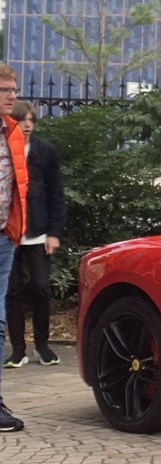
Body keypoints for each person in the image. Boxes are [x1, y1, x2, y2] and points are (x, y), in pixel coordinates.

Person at [5, 100, 65, 371]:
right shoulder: (5, 149)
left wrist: (54, 232)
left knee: (40, 287)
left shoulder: (45, 151)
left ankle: (43, 344)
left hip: (39, 233)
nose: (27, 125)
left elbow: (56, 194)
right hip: (10, 232)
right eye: (22, 120)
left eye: (31, 120)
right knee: (12, 291)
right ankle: (18, 349)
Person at [0, 65, 29, 432]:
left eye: (13, 89)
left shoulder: (13, 132)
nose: (12, 95)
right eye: (5, 89)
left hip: (3, 239)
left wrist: (14, 232)